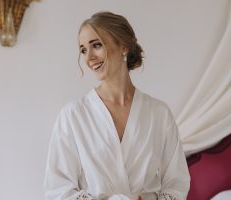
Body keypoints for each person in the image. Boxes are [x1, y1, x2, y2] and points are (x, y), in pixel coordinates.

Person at [44, 11, 190, 200]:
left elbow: (176, 184)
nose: (89, 58)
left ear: (124, 46)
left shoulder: (159, 114)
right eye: (83, 50)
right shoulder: (73, 116)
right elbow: (57, 190)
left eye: (96, 45)